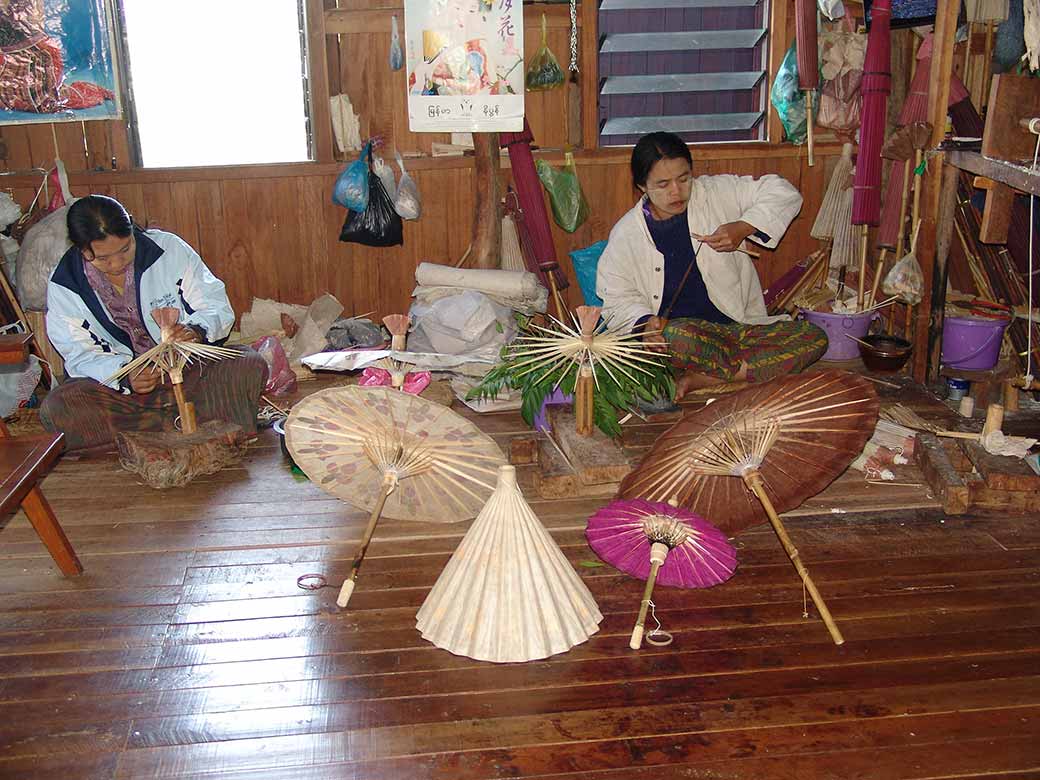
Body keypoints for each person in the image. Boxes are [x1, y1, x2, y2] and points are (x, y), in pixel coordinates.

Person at [596, 131, 827, 399]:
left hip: (739, 331)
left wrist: (743, 226)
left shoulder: (717, 193)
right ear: (642, 186)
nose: (676, 191)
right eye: (662, 184)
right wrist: (645, 323)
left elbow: (784, 192)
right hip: (687, 342)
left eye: (684, 178)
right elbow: (616, 296)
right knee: (676, 334)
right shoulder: (628, 234)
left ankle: (706, 377)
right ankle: (749, 372)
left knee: (814, 337)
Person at [40, 195, 268, 453]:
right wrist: (125, 375)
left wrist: (196, 331)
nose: (117, 264)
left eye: (125, 249)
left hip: (187, 371)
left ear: (134, 231)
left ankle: (148, 432)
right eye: (103, 259)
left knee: (248, 363)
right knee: (58, 407)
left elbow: (214, 305)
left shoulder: (169, 250)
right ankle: (192, 422)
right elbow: (78, 353)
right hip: (123, 391)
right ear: (82, 249)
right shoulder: (66, 282)